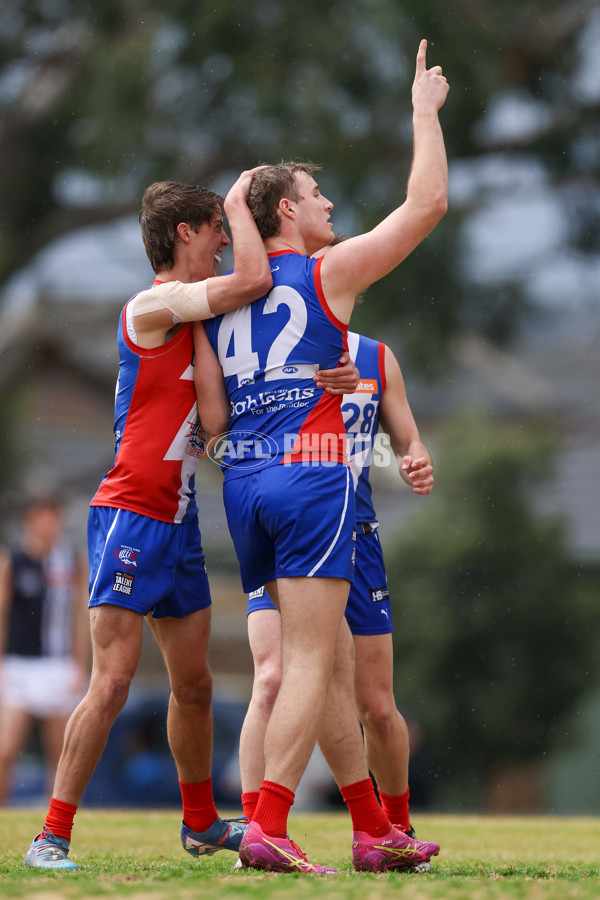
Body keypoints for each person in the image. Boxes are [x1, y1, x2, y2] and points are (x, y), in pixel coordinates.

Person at [199, 39, 448, 873]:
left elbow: (210, 414)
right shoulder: (326, 274)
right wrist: (422, 113)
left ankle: (373, 829)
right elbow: (426, 206)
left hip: (243, 485)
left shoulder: (220, 298)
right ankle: (266, 822)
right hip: (311, 480)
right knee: (311, 662)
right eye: (315, 195)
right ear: (285, 216)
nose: (330, 202)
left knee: (331, 665)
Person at [21, 168, 278, 871]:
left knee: (194, 685)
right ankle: (51, 836)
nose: (225, 242)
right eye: (217, 230)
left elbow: (217, 421)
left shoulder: (189, 318)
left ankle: (199, 824)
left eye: (229, 230)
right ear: (185, 233)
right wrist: (240, 202)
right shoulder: (149, 306)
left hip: (180, 525)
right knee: (111, 682)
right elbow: (253, 280)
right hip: (130, 515)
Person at [239, 330, 435, 853]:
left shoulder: (375, 356)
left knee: (375, 703)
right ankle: (255, 828)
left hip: (356, 535)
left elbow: (406, 440)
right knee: (273, 677)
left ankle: (395, 830)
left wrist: (414, 457)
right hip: (289, 531)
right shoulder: (267, 343)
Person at [0, 497, 89, 806]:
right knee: (6, 749)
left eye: (54, 519)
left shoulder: (70, 562)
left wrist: (80, 665)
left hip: (58, 665)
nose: (50, 526)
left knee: (62, 754)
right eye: (44, 518)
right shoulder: (13, 560)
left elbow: (80, 617)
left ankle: (53, 824)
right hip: (18, 665)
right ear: (30, 521)